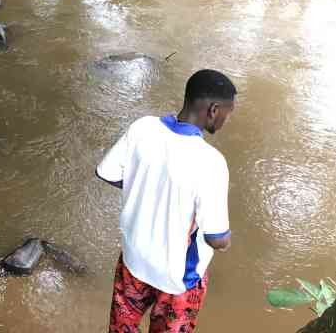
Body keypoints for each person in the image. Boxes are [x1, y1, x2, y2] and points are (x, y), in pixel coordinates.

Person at [96, 69, 236, 333]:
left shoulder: (142, 128)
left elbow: (107, 173)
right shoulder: (210, 162)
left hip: (134, 260)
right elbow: (216, 238)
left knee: (121, 328)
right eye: (228, 112)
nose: (226, 120)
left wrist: (147, 188)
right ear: (214, 109)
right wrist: (228, 241)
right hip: (177, 279)